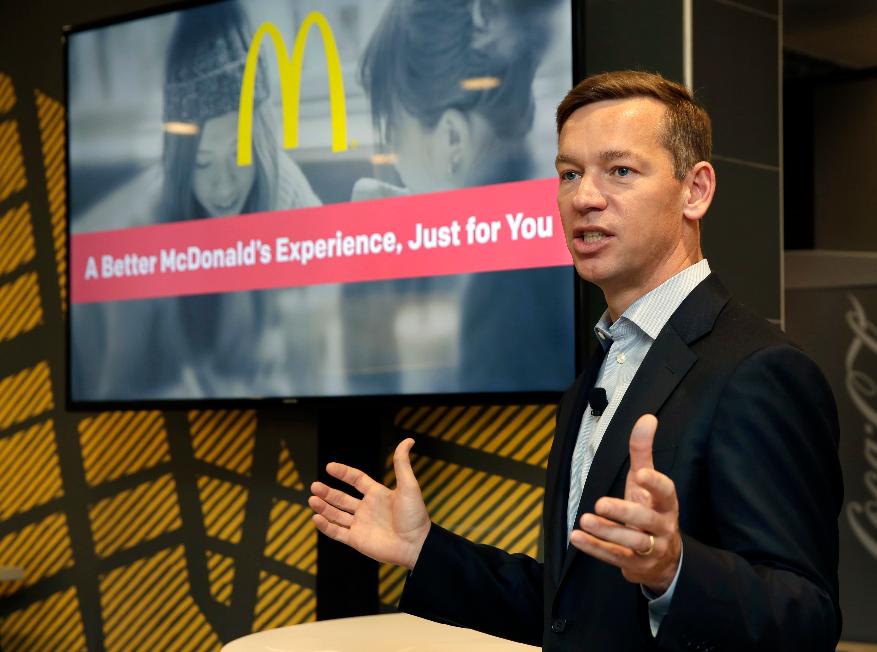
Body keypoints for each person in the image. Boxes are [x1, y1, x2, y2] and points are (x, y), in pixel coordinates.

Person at [309, 70, 843, 651]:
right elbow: (571, 611)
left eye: (620, 171)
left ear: (696, 191)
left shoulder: (759, 369)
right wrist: (423, 549)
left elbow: (807, 619)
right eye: (569, 173)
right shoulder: (598, 371)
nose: (585, 197)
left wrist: (675, 572)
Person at [71, 2, 330, 400]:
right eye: (203, 163)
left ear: (260, 149)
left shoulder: (295, 206)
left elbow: (325, 366)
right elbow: (114, 392)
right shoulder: (138, 241)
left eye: (239, 157)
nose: (223, 187)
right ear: (178, 165)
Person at [342, 0, 573, 394]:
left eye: (395, 138)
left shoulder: (505, 295)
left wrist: (365, 279)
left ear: (451, 139)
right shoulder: (542, 225)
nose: (395, 166)